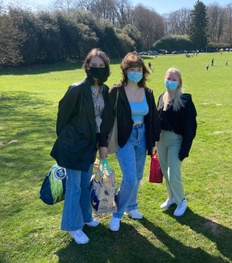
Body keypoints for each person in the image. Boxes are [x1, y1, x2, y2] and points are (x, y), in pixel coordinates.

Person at [50, 48, 113, 244]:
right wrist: (69, 139)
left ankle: (86, 217)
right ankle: (73, 225)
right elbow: (62, 118)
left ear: (106, 68)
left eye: (101, 66)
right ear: (87, 66)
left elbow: (106, 121)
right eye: (93, 65)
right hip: (73, 145)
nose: (97, 69)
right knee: (74, 187)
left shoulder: (106, 91)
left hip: (90, 145)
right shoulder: (76, 89)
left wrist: (103, 144)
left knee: (86, 184)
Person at [108, 52, 160, 232]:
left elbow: (152, 118)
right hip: (125, 138)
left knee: (137, 177)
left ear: (143, 71)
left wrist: (153, 141)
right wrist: (103, 144)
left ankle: (132, 206)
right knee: (129, 178)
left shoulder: (147, 92)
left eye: (139, 69)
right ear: (125, 70)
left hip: (142, 136)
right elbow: (108, 118)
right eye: (132, 69)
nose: (136, 72)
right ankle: (116, 214)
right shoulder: (116, 91)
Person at [156, 67, 197, 217]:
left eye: (174, 79)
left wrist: (184, 149)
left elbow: (190, 127)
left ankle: (181, 201)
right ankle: (171, 197)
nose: (170, 81)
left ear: (179, 82)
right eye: (168, 78)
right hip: (161, 141)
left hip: (175, 141)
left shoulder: (185, 100)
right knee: (166, 172)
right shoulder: (161, 97)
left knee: (173, 174)